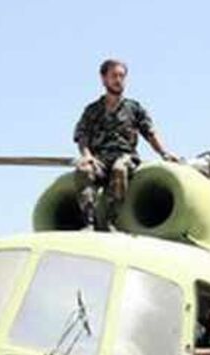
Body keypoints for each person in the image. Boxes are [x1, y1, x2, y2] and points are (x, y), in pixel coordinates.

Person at [73, 58, 179, 229]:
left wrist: (164, 153)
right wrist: (87, 155)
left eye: (122, 76)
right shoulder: (92, 110)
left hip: (125, 157)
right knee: (83, 169)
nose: (118, 80)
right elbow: (82, 135)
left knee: (119, 168)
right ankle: (89, 221)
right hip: (99, 160)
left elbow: (150, 133)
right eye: (114, 75)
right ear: (103, 79)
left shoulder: (133, 108)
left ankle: (110, 220)